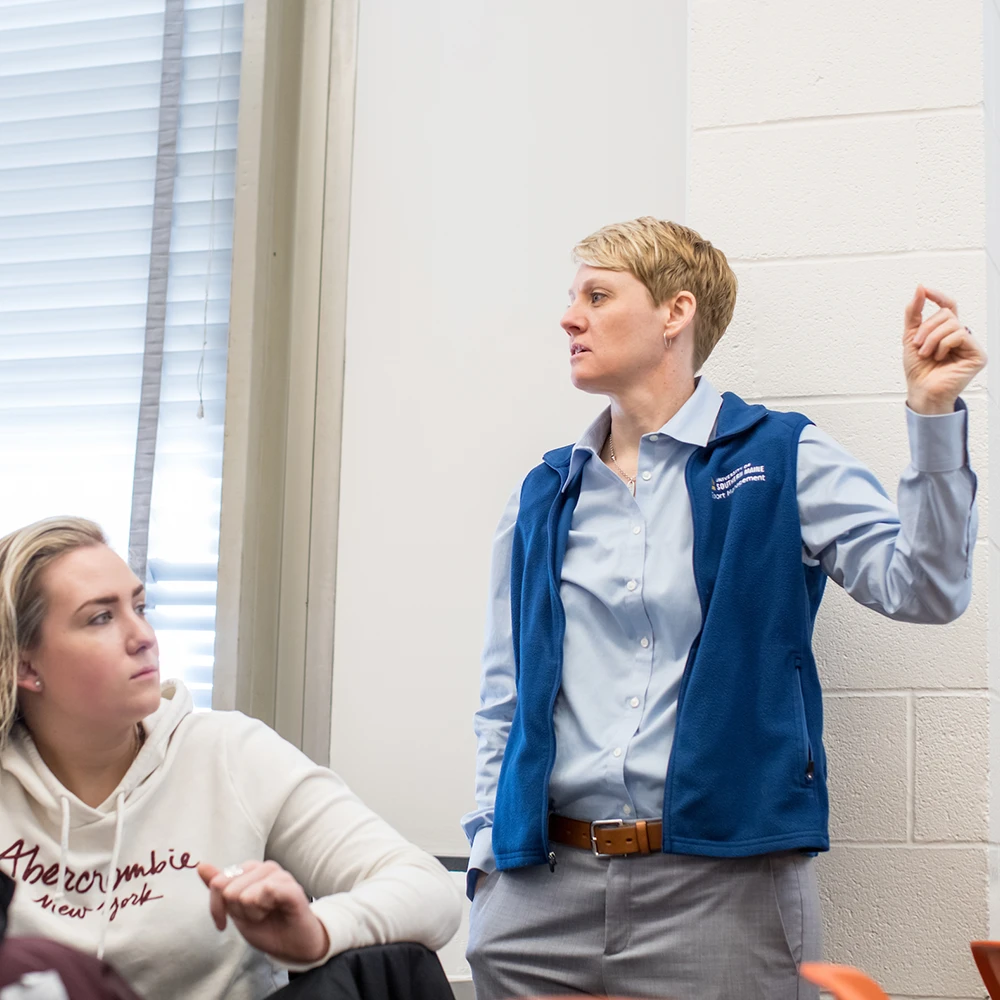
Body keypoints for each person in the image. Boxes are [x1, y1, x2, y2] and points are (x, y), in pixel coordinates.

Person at [462, 217, 985, 1000]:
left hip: (723, 889)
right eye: (572, 298)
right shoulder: (544, 494)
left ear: (676, 314)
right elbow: (504, 697)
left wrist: (932, 415)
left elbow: (927, 590)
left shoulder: (781, 456)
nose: (569, 317)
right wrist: (486, 863)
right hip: (542, 892)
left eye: (597, 296)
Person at [0, 518, 462, 1000]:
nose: (143, 636)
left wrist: (315, 932)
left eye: (140, 606)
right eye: (101, 617)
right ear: (26, 666)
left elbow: (428, 890)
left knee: (397, 964)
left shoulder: (229, 753)